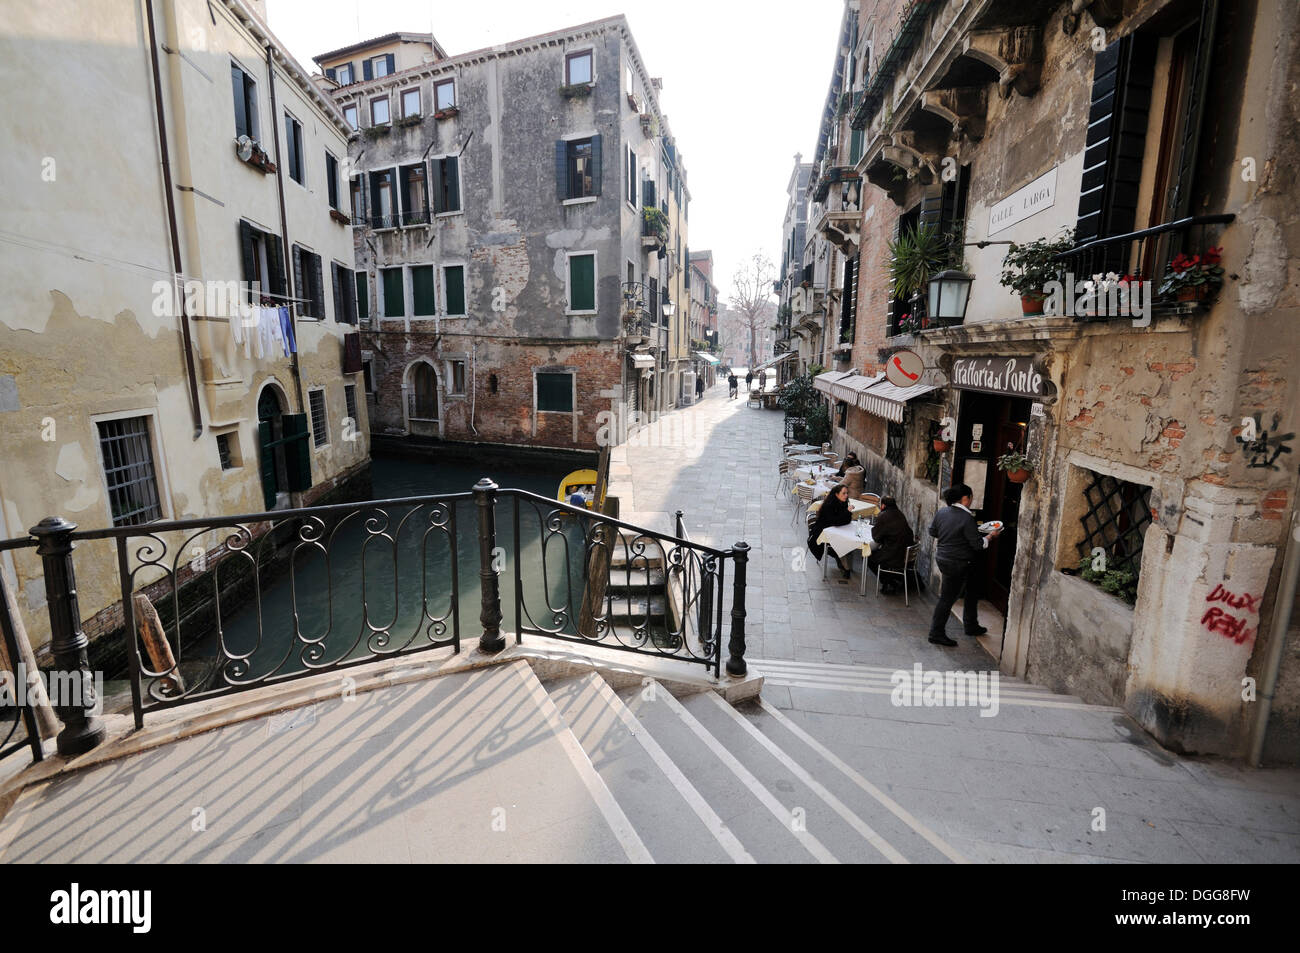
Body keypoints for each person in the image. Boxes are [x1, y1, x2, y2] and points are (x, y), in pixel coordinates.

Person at [926, 483, 1001, 646]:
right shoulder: (966, 518)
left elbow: (933, 531)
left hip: (945, 558)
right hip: (959, 562)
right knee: (947, 598)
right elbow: (977, 545)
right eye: (971, 497)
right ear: (966, 498)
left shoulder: (943, 512)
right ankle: (936, 633)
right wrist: (990, 536)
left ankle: (971, 624)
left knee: (972, 590)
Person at [867, 497, 914, 595]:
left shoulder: (884, 516)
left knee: (868, 556)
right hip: (906, 555)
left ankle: (888, 582)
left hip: (894, 555)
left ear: (883, 505)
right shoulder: (900, 514)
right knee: (878, 554)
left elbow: (876, 537)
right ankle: (891, 580)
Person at [807, 484, 855, 579]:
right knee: (841, 543)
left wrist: (847, 513)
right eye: (844, 493)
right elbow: (836, 521)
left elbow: (846, 520)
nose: (846, 495)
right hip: (822, 533)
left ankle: (844, 564)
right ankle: (845, 567)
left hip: (835, 530)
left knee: (846, 541)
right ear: (836, 494)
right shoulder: (829, 505)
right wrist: (847, 512)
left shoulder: (843, 503)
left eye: (847, 493)